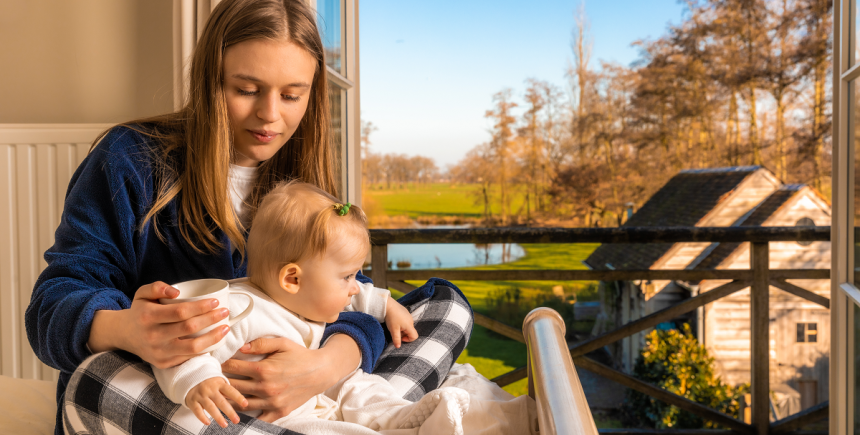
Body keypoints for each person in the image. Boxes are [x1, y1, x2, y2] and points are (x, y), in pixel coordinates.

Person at [24, 0, 473, 433]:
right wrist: (126, 328)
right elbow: (50, 309)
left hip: (295, 398)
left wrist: (326, 365)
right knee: (96, 382)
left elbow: (339, 295)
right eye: (246, 90)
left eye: (292, 95)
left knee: (445, 307)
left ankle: (324, 416)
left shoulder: (301, 183)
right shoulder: (129, 159)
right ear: (209, 82)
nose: (270, 115)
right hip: (182, 397)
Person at [156, 181, 418, 428]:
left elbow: (358, 292)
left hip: (315, 394)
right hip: (279, 420)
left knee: (361, 386)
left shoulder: (302, 295)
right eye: (347, 276)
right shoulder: (240, 310)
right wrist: (199, 381)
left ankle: (408, 417)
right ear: (292, 278)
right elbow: (178, 350)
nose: (354, 285)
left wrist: (387, 305)